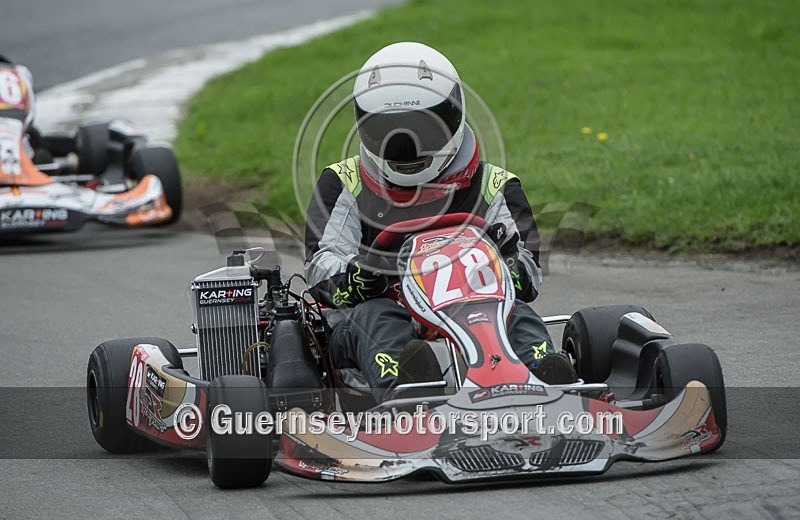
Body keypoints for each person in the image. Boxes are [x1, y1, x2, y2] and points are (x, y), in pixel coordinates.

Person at [304, 42, 576, 403]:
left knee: (516, 313)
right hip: (373, 325)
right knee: (375, 318)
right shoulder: (344, 182)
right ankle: (411, 393)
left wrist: (507, 263)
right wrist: (361, 276)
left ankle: (546, 383)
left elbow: (529, 277)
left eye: (423, 129)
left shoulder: (494, 185)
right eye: (391, 135)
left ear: (453, 114)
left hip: (476, 314)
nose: (409, 149)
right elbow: (320, 266)